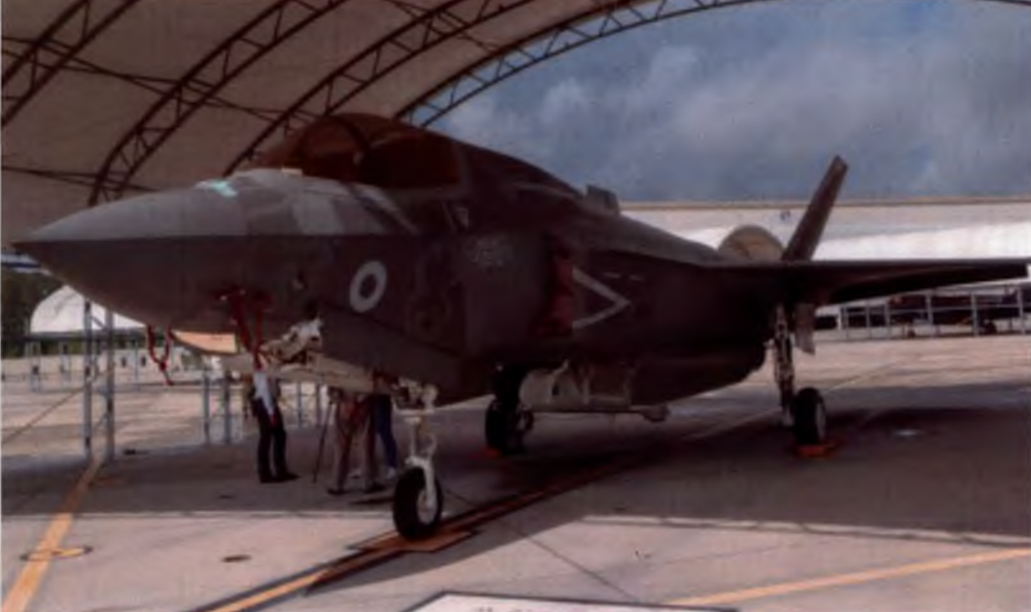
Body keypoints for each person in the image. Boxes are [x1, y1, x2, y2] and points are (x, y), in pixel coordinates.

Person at [247, 372, 297, 484]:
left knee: (278, 435)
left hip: (269, 402)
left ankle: (279, 470)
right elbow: (264, 388)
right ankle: (265, 473)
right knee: (267, 438)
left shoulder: (270, 368)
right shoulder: (263, 368)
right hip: (265, 403)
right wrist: (270, 411)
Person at [326, 387, 378, 495]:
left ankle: (337, 484)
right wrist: (357, 400)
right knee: (365, 446)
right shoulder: (365, 369)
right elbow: (370, 387)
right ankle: (367, 482)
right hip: (362, 409)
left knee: (340, 448)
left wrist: (340, 398)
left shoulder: (340, 369)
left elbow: (331, 391)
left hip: (343, 408)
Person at [368, 374, 400, 481]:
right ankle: (366, 465)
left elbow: (393, 381)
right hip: (368, 398)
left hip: (381, 398)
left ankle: (392, 465)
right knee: (366, 434)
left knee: (385, 432)